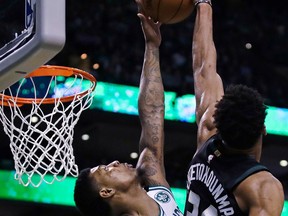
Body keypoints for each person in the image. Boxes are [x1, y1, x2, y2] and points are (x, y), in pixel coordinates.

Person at [73, 2, 183, 216]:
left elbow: (152, 114)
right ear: (106, 191)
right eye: (106, 170)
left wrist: (152, 46)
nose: (114, 162)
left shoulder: (158, 194)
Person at [184, 0, 285, 215]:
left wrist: (203, 4)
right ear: (263, 129)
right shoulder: (263, 188)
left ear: (218, 122)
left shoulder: (207, 135)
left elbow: (203, 66)